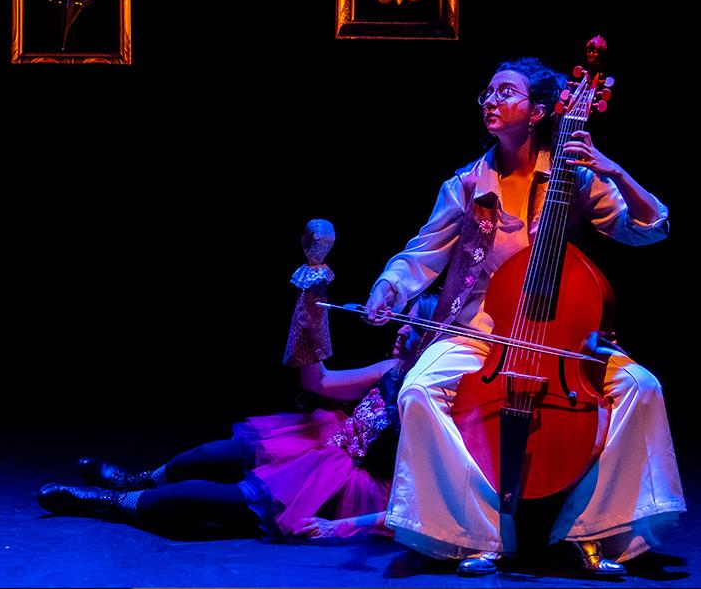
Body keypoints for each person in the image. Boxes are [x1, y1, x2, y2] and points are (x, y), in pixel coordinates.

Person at [363, 51, 685, 575]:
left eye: (505, 92)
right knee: (418, 391)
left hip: (561, 337)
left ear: (537, 111)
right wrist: (388, 287)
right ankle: (476, 533)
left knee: (641, 388)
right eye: (487, 93)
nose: (491, 100)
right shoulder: (468, 184)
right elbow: (421, 254)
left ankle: (592, 530)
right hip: (479, 331)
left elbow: (646, 230)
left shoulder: (572, 177)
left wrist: (614, 171)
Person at [38, 220, 436, 543]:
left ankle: (106, 501)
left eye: (415, 327)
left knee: (205, 501)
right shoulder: (390, 368)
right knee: (208, 455)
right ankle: (135, 480)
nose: (401, 330)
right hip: (322, 446)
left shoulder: (431, 393)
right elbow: (318, 382)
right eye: (406, 322)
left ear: (433, 341)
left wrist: (345, 526)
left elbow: (423, 497)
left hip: (340, 485)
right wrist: (313, 302)